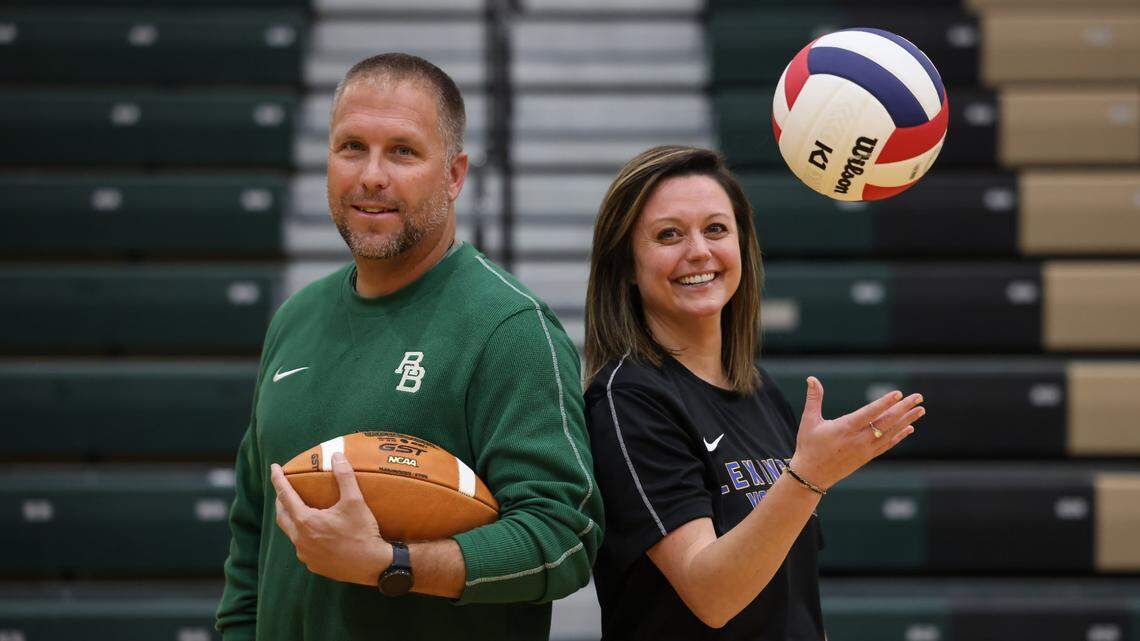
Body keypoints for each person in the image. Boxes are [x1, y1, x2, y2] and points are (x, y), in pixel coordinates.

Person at [215, 53, 603, 641]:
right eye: (351, 147)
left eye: (402, 151)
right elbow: (254, 534)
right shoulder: (294, 319)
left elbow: (564, 538)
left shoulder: (509, 327)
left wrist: (390, 564)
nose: (371, 175)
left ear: (454, 175)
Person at [582, 145, 926, 640]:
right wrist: (809, 475)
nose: (698, 251)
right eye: (668, 235)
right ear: (628, 266)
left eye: (716, 229)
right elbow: (711, 595)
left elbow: (795, 593)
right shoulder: (627, 400)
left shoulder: (759, 390)